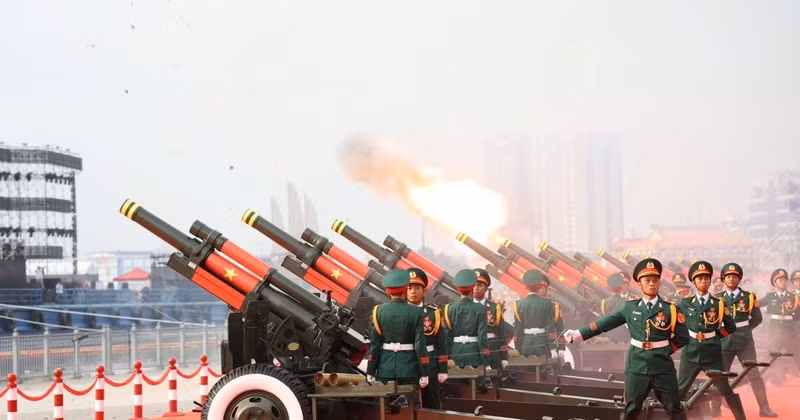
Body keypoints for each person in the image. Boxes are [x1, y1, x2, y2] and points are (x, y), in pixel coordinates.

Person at [563, 258, 689, 420]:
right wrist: (579, 333)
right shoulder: (630, 308)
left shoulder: (670, 309)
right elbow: (605, 323)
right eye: (647, 280)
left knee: (675, 409)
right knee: (631, 409)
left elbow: (683, 337)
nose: (651, 284)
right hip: (636, 366)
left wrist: (665, 350)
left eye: (655, 280)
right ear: (640, 284)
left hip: (662, 367)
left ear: (659, 283)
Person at [675, 261, 744, 420]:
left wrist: (713, 337)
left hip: (712, 353)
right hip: (690, 352)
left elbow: (730, 326)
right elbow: (676, 324)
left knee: (725, 389)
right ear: (693, 282)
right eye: (699, 279)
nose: (703, 281)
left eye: (706, 278)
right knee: (681, 390)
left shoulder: (719, 304)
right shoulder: (684, 303)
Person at [710, 263, 776, 418]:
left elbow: (757, 318)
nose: (731, 279)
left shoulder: (748, 297)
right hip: (724, 341)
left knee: (754, 375)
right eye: (728, 277)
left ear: (739, 279)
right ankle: (715, 409)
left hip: (744, 341)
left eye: (734, 276)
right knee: (719, 375)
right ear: (723, 279)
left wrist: (745, 330)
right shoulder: (717, 299)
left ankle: (764, 408)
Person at [366, 269, 430, 389]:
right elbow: (420, 345)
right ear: (405, 289)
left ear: (387, 291)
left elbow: (375, 345)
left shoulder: (378, 311)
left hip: (385, 368)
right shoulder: (416, 312)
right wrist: (425, 373)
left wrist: (370, 370)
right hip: (409, 369)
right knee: (410, 404)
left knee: (386, 405)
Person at [405, 268, 448, 408]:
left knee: (432, 403)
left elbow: (441, 343)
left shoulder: (433, 314)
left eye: (417, 287)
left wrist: (443, 368)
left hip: (430, 363)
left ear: (424, 290)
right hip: (406, 362)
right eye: (409, 288)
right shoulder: (398, 313)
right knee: (408, 404)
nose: (413, 291)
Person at [442, 269, 490, 367]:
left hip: (455, 354)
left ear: (458, 289)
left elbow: (446, 338)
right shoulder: (481, 309)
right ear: (472, 287)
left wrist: (445, 360)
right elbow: (482, 338)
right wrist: (485, 361)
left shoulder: (448, 309)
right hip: (474, 354)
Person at [761, 268, 800, 383]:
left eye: (784, 280)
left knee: (797, 354)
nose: (782, 282)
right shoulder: (770, 296)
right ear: (775, 282)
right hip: (775, 329)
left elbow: (797, 315)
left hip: (790, 329)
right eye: (780, 280)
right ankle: (761, 378)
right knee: (770, 355)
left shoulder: (794, 297)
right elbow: (756, 305)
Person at [513, 270, 563, 359]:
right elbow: (518, 330)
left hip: (531, 345)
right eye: (542, 287)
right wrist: (553, 348)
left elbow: (560, 330)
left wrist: (561, 348)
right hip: (541, 345)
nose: (542, 290)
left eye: (545, 288)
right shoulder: (547, 304)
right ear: (539, 287)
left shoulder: (554, 307)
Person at [472, 268, 509, 370]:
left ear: (486, 287)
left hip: (492, 349)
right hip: (473, 350)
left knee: (495, 380)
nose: (476, 288)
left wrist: (504, 356)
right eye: (473, 285)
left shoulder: (495, 307)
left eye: (479, 285)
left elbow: (501, 334)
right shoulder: (465, 307)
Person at [599, 273, 631, 343]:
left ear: (628, 284)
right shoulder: (605, 302)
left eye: (625, 283)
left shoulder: (634, 300)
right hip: (611, 339)